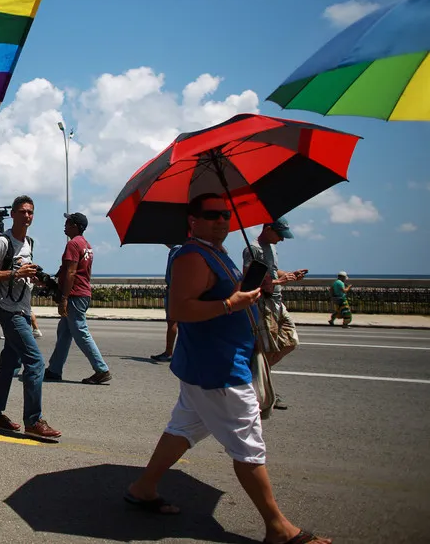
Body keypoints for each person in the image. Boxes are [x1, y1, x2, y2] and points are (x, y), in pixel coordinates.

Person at [126, 193, 331, 544]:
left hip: (210, 364)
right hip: (218, 368)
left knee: (183, 428)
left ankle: (144, 487)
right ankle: (278, 528)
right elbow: (181, 309)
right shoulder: (191, 255)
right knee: (248, 445)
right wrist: (229, 303)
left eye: (225, 214)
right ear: (193, 220)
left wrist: (251, 290)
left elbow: (224, 295)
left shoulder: (215, 252)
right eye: (212, 215)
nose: (222, 220)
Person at [0, 195, 62, 442]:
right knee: (35, 363)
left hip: (24, 310)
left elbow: (22, 274)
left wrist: (32, 277)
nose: (27, 216)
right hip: (10, 311)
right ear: (13, 214)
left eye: (31, 212)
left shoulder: (29, 242)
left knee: (8, 364)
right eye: (23, 211)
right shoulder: (2, 243)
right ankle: (33, 421)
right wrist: (16, 272)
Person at [243, 217, 307, 411]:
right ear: (268, 229)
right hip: (265, 303)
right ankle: (264, 389)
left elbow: (271, 270)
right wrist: (279, 282)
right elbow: (249, 279)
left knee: (290, 340)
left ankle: (260, 381)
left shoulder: (270, 248)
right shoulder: (253, 249)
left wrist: (288, 274)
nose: (281, 239)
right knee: (266, 348)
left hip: (277, 303)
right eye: (279, 234)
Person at [44, 212, 109, 385]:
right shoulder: (86, 244)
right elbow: (67, 269)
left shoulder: (73, 244)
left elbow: (72, 272)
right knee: (64, 332)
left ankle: (101, 369)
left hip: (75, 294)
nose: (64, 225)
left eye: (68, 222)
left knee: (80, 331)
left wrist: (64, 297)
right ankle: (54, 369)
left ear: (75, 226)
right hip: (83, 292)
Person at [152, 244, 183, 362]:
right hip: (180, 289)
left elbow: (172, 272)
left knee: (172, 321)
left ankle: (169, 352)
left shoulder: (176, 250)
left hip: (174, 290)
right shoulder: (185, 248)